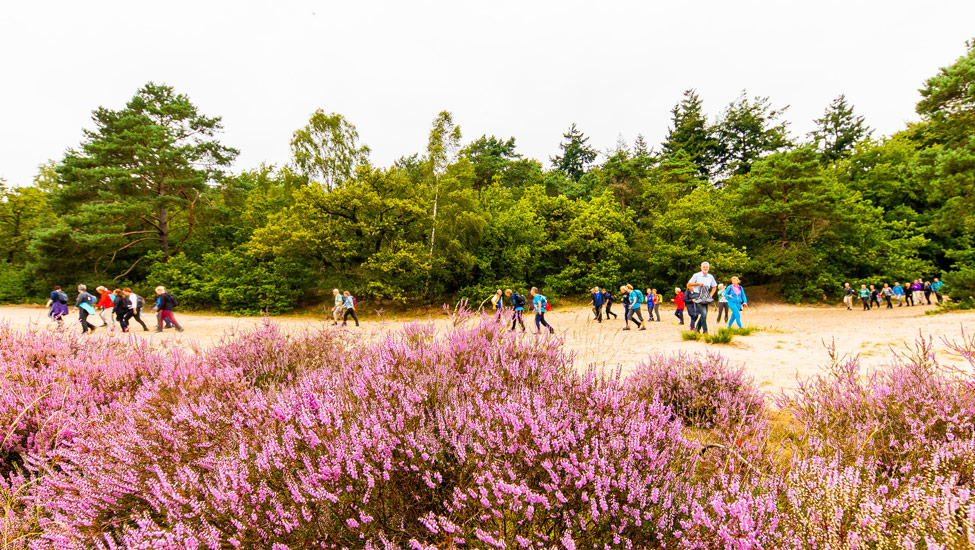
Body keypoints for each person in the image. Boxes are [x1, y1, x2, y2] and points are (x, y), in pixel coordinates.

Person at [688, 262, 718, 334]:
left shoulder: (710, 276)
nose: (705, 268)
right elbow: (689, 284)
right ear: (701, 267)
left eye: (707, 267)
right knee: (703, 313)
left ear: (708, 268)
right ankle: (705, 331)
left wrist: (711, 294)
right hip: (697, 294)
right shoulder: (696, 275)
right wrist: (698, 284)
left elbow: (714, 286)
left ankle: (697, 329)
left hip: (706, 295)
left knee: (704, 314)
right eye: (704, 267)